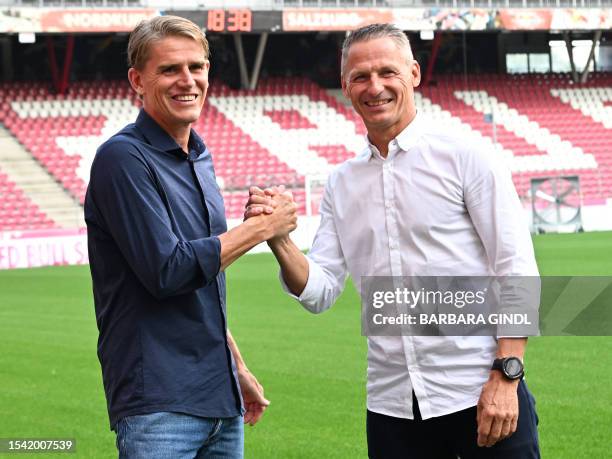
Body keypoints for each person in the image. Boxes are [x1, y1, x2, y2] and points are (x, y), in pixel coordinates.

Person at [246, 23, 540, 458]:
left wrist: (507, 374)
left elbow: (515, 268)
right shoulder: (342, 183)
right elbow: (320, 291)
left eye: (388, 72)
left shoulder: (467, 157)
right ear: (345, 86)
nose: (375, 86)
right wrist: (279, 240)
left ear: (415, 74)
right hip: (392, 408)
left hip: (479, 392)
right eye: (360, 76)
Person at [85, 16, 297, 459]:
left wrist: (234, 365)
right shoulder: (122, 159)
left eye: (196, 67)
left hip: (219, 397)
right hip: (159, 404)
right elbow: (169, 270)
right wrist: (260, 228)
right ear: (136, 81)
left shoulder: (199, 155)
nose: (188, 80)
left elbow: (204, 280)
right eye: (169, 70)